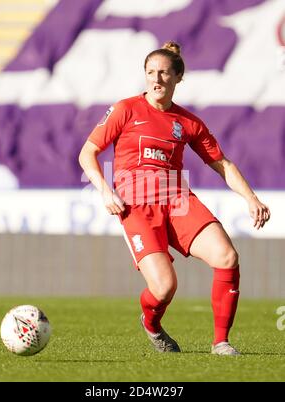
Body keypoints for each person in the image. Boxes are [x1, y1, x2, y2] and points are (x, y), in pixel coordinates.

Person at [79, 41, 270, 356]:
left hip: (177, 200)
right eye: (151, 72)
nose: (157, 79)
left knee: (227, 257)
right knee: (165, 287)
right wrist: (104, 190)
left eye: (165, 73)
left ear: (178, 78)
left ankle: (221, 342)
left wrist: (251, 199)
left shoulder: (189, 122)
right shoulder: (126, 109)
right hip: (135, 206)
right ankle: (152, 324)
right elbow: (88, 153)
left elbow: (221, 163)